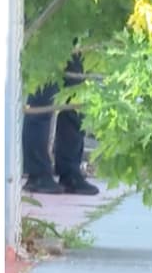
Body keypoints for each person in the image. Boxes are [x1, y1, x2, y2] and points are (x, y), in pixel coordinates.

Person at [22, 53, 99, 196]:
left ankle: (70, 174)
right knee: (41, 105)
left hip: (75, 37)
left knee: (74, 106)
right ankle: (37, 175)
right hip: (47, 39)